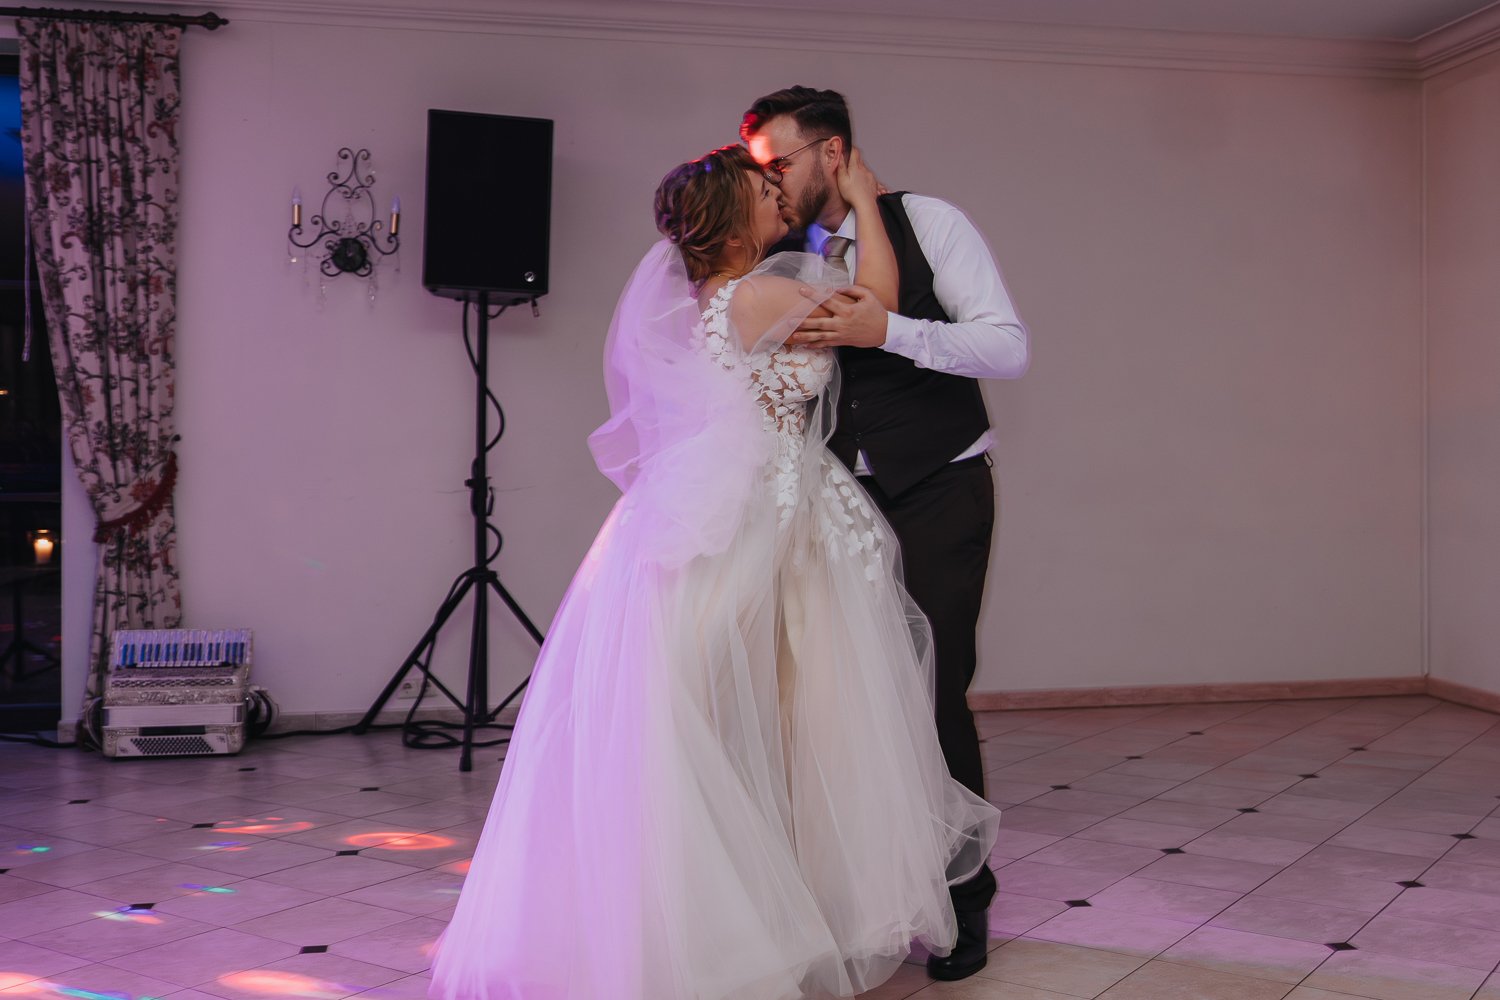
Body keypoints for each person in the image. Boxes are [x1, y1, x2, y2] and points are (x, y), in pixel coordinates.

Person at [426, 144, 999, 1000]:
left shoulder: (723, 297)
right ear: (733, 227)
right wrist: (864, 201)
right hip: (765, 516)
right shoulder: (758, 294)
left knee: (764, 718)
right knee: (763, 715)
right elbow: (876, 309)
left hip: (775, 508)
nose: (781, 198)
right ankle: (731, 926)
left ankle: (773, 906)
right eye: (765, 191)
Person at [741, 86, 1030, 983]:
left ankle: (963, 899)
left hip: (939, 487)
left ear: (831, 153)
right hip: (829, 505)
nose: (769, 180)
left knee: (934, 692)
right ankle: (860, 896)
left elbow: (1007, 347)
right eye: (759, 168)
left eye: (779, 162)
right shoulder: (774, 254)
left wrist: (893, 332)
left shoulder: (929, 221)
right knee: (838, 702)